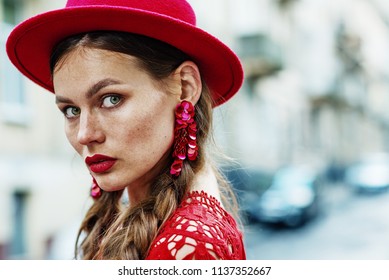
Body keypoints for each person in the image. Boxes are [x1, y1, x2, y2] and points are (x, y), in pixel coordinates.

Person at [6, 0, 246, 260]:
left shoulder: (186, 246)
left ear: (185, 87)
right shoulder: (173, 227)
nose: (84, 135)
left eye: (111, 99)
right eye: (71, 110)